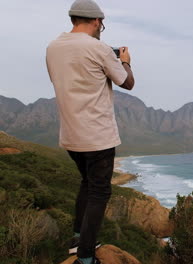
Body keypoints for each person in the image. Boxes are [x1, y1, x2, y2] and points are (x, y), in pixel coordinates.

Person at [46, 0, 135, 263]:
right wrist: (126, 61)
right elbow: (127, 82)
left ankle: (77, 240)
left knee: (87, 184)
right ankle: (86, 257)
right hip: (98, 136)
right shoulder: (98, 48)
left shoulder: (52, 47)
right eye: (101, 25)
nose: (101, 29)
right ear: (96, 21)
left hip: (71, 136)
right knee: (99, 192)